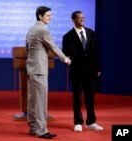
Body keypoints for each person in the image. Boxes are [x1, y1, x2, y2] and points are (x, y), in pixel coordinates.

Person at [26, 6, 71, 139]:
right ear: (40, 16)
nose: (50, 18)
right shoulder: (42, 30)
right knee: (40, 101)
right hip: (39, 69)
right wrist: (66, 59)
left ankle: (33, 128)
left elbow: (27, 48)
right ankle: (42, 131)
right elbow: (53, 46)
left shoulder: (31, 29)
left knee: (33, 100)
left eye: (50, 15)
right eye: (47, 15)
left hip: (31, 68)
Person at [62, 11, 103, 132]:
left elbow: (95, 52)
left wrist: (98, 68)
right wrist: (68, 58)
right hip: (77, 71)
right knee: (77, 98)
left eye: (83, 18)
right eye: (80, 18)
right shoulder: (67, 36)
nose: (82, 19)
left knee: (90, 97)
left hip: (90, 70)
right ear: (73, 20)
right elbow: (66, 52)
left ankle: (91, 122)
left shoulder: (91, 33)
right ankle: (78, 122)